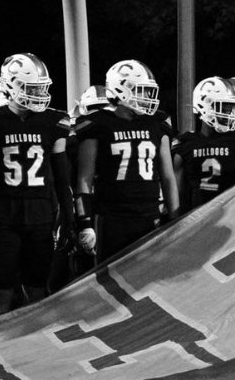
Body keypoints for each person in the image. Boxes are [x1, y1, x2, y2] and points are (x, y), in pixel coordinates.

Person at [0, 53, 73, 314]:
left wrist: (69, 219)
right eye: (31, 87)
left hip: (41, 216)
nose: (38, 93)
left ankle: (36, 339)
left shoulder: (54, 122)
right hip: (4, 216)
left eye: (40, 87)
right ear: (10, 85)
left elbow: (62, 179)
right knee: (1, 290)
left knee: (37, 291)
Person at [75, 59, 179, 263]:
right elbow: (84, 179)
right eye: (142, 91)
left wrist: (176, 218)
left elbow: (168, 176)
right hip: (112, 218)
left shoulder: (157, 123)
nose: (147, 97)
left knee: (150, 275)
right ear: (121, 90)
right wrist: (84, 222)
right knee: (108, 276)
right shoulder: (97, 123)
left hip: (150, 215)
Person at [174, 77, 235, 213]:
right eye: (224, 107)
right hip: (196, 216)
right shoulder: (185, 143)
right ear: (205, 106)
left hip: (233, 213)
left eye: (231, 108)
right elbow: (178, 191)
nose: (229, 113)